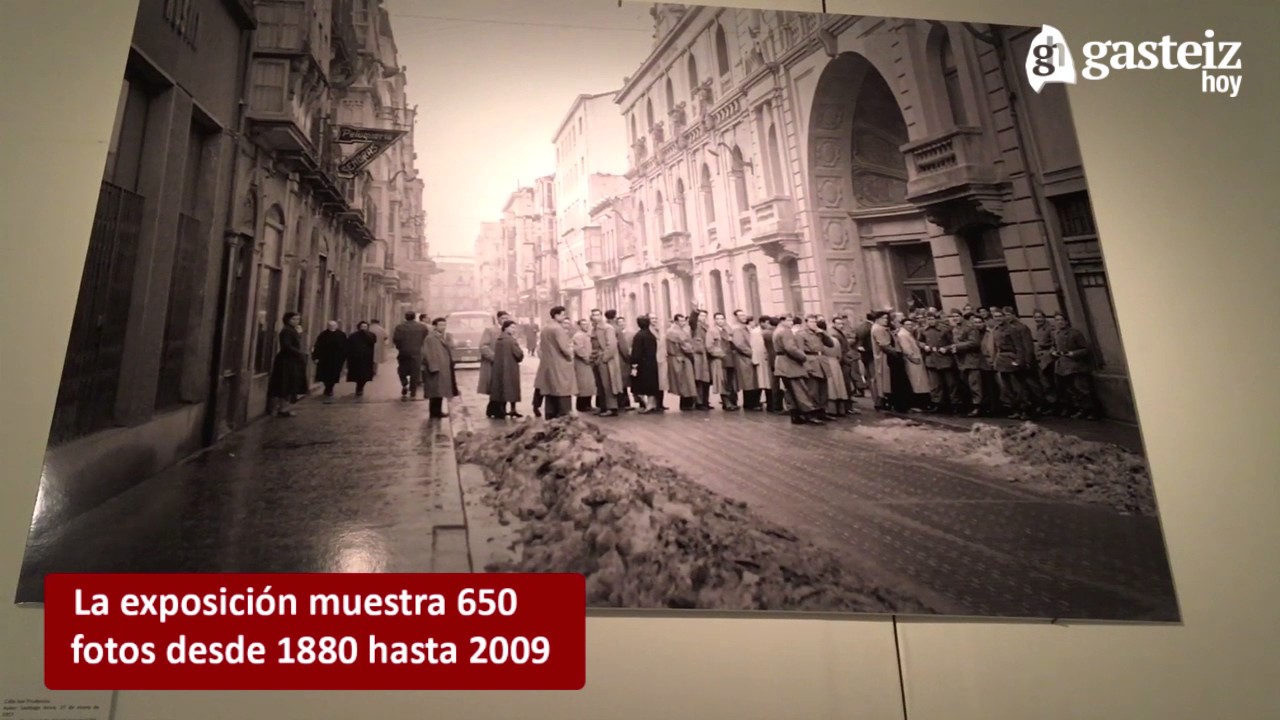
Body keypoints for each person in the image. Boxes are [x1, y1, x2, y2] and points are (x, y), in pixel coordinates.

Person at [1050, 313, 1098, 419]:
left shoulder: (1075, 333)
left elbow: (1085, 349)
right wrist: (1053, 352)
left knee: (1081, 388)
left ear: (1067, 321)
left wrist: (1073, 353)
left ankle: (1091, 410)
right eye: (1057, 320)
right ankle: (1080, 409)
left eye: (1062, 320)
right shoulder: (1056, 334)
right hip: (1062, 366)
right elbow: (1053, 346)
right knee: (1071, 390)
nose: (1059, 322)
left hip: (1075, 366)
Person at [535, 306, 576, 419]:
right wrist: (570, 355)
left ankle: (550, 415)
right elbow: (565, 348)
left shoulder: (545, 328)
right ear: (556, 315)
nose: (564, 317)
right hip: (560, 364)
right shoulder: (558, 329)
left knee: (550, 391)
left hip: (548, 363)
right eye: (562, 314)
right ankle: (564, 416)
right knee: (563, 390)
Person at [267, 311, 309, 417]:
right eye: (293, 319)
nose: (296, 321)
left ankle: (283, 408)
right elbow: (286, 346)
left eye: (297, 319)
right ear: (287, 320)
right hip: (286, 361)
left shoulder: (292, 330)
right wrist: (300, 353)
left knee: (288, 385)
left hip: (291, 360)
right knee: (284, 384)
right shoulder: (286, 331)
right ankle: (281, 409)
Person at [477, 310, 511, 419]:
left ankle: (500, 409)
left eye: (507, 318)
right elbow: (483, 346)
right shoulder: (490, 331)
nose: (505, 320)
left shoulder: (510, 331)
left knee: (505, 387)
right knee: (495, 387)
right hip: (493, 364)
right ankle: (494, 409)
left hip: (506, 364)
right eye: (503, 318)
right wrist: (495, 357)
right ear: (498, 319)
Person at [488, 319, 525, 418]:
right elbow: (519, 354)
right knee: (513, 388)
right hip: (511, 368)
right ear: (506, 328)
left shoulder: (499, 340)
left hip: (499, 369)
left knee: (501, 388)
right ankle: (513, 409)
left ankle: (502, 410)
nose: (514, 330)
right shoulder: (511, 341)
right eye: (512, 327)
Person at [422, 317, 457, 419]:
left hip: (443, 367)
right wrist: (433, 367)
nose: (443, 327)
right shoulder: (431, 338)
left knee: (439, 392)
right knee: (435, 392)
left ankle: (437, 412)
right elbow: (428, 353)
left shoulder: (444, 336)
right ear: (435, 326)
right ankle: (435, 413)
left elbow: (452, 347)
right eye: (441, 325)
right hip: (436, 367)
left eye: (444, 325)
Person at [590, 309, 621, 417]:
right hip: (595, 358)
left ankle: (612, 407)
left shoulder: (608, 328)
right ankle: (603, 406)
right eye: (593, 315)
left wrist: (604, 358)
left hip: (605, 360)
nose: (595, 317)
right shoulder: (593, 329)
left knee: (608, 384)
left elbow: (612, 344)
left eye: (597, 315)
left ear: (601, 316)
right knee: (600, 385)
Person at [392, 311, 429, 400]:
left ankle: (404, 383)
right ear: (414, 317)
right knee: (415, 372)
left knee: (402, 369)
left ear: (405, 317)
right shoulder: (422, 327)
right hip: (416, 352)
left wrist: (399, 347)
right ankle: (413, 391)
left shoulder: (399, 327)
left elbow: (396, 339)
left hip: (404, 351)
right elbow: (426, 339)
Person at [630, 315, 662, 413]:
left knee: (639, 386)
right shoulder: (651, 335)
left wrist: (634, 363)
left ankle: (646, 405)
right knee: (651, 385)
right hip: (652, 362)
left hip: (642, 364)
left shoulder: (638, 336)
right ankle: (651, 404)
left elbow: (636, 352)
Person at [665, 314, 697, 410]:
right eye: (681, 321)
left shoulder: (674, 331)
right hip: (680, 358)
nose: (683, 323)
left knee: (684, 382)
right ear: (676, 321)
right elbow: (685, 346)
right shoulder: (675, 332)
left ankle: (686, 402)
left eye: (684, 320)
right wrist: (692, 350)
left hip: (678, 357)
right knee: (685, 381)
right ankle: (686, 404)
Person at [311, 320, 347, 403]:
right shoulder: (323, 334)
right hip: (325, 358)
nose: (332, 327)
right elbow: (318, 346)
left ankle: (330, 388)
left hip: (336, 359)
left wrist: (344, 357)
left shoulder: (341, 335)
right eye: (330, 325)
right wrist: (316, 357)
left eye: (334, 325)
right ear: (327, 326)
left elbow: (345, 346)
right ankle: (327, 387)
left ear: (336, 326)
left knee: (334, 374)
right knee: (325, 374)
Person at [571, 318, 598, 413]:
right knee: (583, 385)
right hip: (582, 363)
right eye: (583, 324)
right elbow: (579, 349)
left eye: (587, 324)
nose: (586, 326)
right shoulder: (578, 336)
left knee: (589, 385)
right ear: (579, 326)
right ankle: (581, 405)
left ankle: (588, 404)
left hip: (588, 362)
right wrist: (586, 358)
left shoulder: (587, 335)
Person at [345, 321, 378, 398]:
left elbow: (373, 343)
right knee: (357, 374)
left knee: (365, 375)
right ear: (359, 327)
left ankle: (360, 387)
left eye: (365, 327)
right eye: (362, 327)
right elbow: (349, 345)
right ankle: (359, 387)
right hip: (356, 358)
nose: (363, 328)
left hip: (367, 358)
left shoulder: (371, 335)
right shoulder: (353, 336)